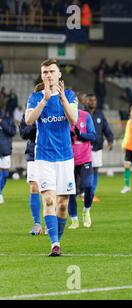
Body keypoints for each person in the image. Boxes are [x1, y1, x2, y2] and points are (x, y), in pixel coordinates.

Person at [25, 59, 78, 256]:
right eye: (45, 72)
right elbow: (29, 120)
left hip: (65, 157)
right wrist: (45, 99)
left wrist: (62, 98)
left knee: (62, 205)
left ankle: (57, 238)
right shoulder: (35, 97)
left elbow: (73, 119)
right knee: (48, 200)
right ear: (42, 75)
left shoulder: (70, 95)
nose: (48, 75)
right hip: (44, 156)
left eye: (51, 71)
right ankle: (54, 243)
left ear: (59, 75)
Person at [67, 109, 96, 229]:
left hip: (85, 159)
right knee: (71, 192)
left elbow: (93, 136)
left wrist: (80, 135)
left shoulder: (85, 116)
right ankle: (74, 220)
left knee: (88, 185)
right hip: (68, 160)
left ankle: (86, 210)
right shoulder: (62, 117)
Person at [86, 94, 114, 202]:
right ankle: (82, 191)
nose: (93, 102)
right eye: (90, 100)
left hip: (97, 147)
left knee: (95, 170)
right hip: (85, 146)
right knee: (85, 170)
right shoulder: (83, 113)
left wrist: (110, 140)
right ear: (86, 101)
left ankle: (91, 193)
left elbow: (106, 128)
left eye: (94, 100)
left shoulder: (100, 114)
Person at [19, 115, 42, 235]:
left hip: (51, 153)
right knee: (34, 187)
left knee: (50, 190)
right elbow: (23, 133)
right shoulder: (29, 112)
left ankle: (51, 224)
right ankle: (37, 223)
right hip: (33, 154)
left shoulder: (53, 109)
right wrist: (35, 123)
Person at [0, 109, 16, 205]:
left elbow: (12, 132)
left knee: (5, 174)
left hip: (5, 151)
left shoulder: (8, 120)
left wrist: (2, 123)